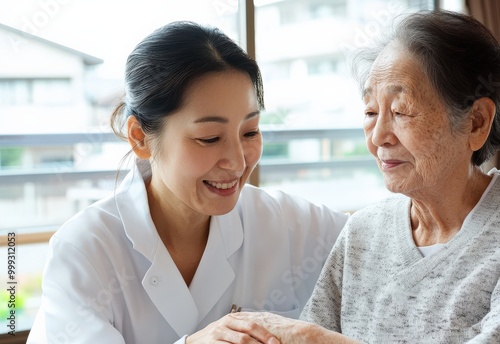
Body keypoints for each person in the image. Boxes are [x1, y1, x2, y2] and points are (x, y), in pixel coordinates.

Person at [26, 21, 349, 344]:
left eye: (250, 132)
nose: (237, 162)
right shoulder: (85, 250)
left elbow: (386, 244)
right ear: (140, 138)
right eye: (209, 138)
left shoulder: (286, 222)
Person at [231, 10, 500, 343]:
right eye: (371, 112)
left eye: (401, 112)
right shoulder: (363, 231)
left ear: (476, 122)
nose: (378, 137)